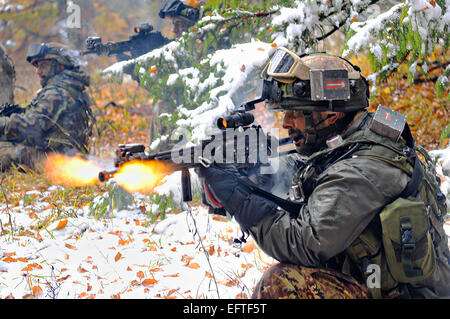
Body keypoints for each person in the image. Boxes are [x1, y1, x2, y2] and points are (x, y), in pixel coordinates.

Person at [197, 48, 450, 298]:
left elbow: (304, 242)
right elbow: (311, 170)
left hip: (405, 294)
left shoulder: (362, 169)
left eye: (295, 113)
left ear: (331, 115)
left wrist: (240, 200)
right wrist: (254, 169)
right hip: (380, 280)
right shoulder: (360, 134)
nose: (286, 123)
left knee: (279, 284)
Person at [0, 42, 94, 171]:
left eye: (43, 65)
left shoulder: (56, 93)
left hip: (55, 161)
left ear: (59, 65)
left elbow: (31, 126)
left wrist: (3, 123)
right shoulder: (69, 87)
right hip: (66, 157)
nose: (38, 71)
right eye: (37, 66)